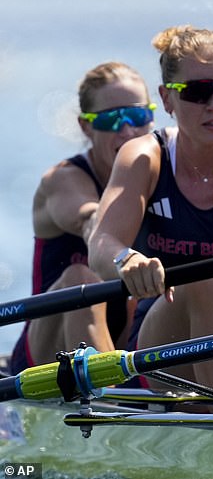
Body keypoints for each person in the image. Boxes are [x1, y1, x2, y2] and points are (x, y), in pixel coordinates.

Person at [88, 25, 213, 397]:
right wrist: (127, 259)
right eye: (198, 93)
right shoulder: (143, 158)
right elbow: (102, 242)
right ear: (167, 99)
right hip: (166, 342)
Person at [10, 62, 154, 373]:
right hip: (49, 350)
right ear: (85, 126)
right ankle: (113, 402)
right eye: (111, 120)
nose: (128, 131)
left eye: (138, 117)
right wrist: (115, 250)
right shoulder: (63, 181)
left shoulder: (166, 177)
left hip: (128, 331)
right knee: (80, 278)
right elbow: (90, 221)